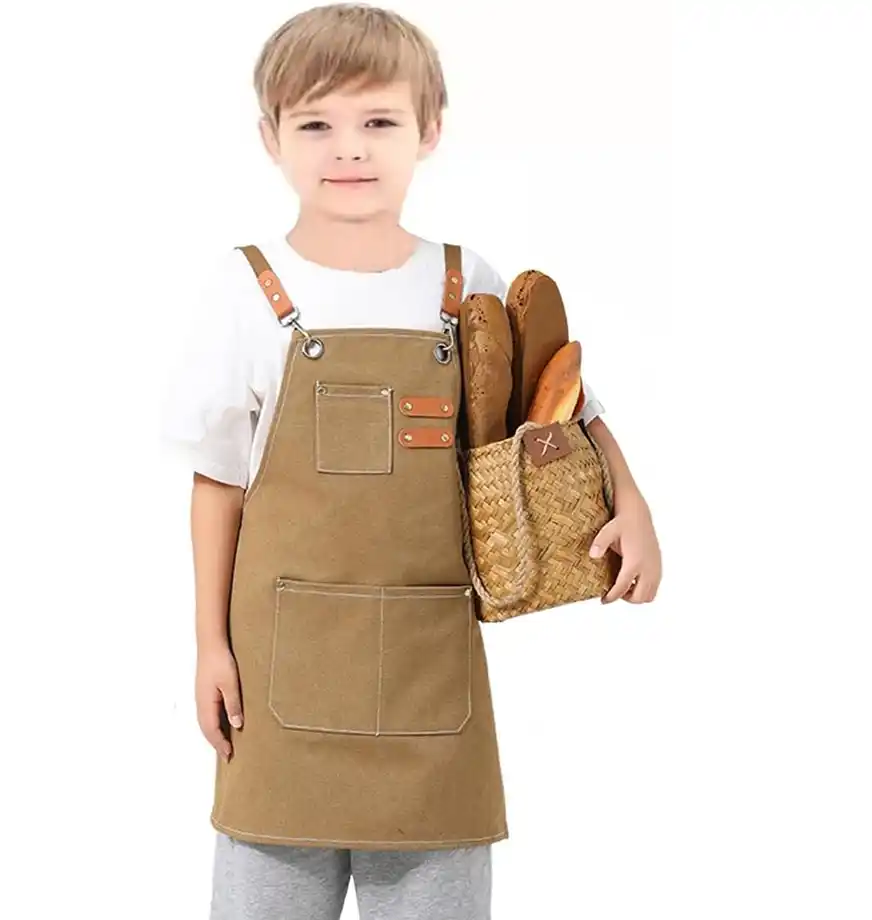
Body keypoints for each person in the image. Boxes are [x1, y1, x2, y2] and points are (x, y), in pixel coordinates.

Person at [160, 4, 662, 918]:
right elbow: (219, 483)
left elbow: (567, 406)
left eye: (378, 121)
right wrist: (207, 645)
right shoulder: (246, 290)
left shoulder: (464, 285)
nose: (348, 148)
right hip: (277, 693)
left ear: (429, 130)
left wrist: (633, 506)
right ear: (270, 138)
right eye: (316, 123)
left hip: (436, 692)